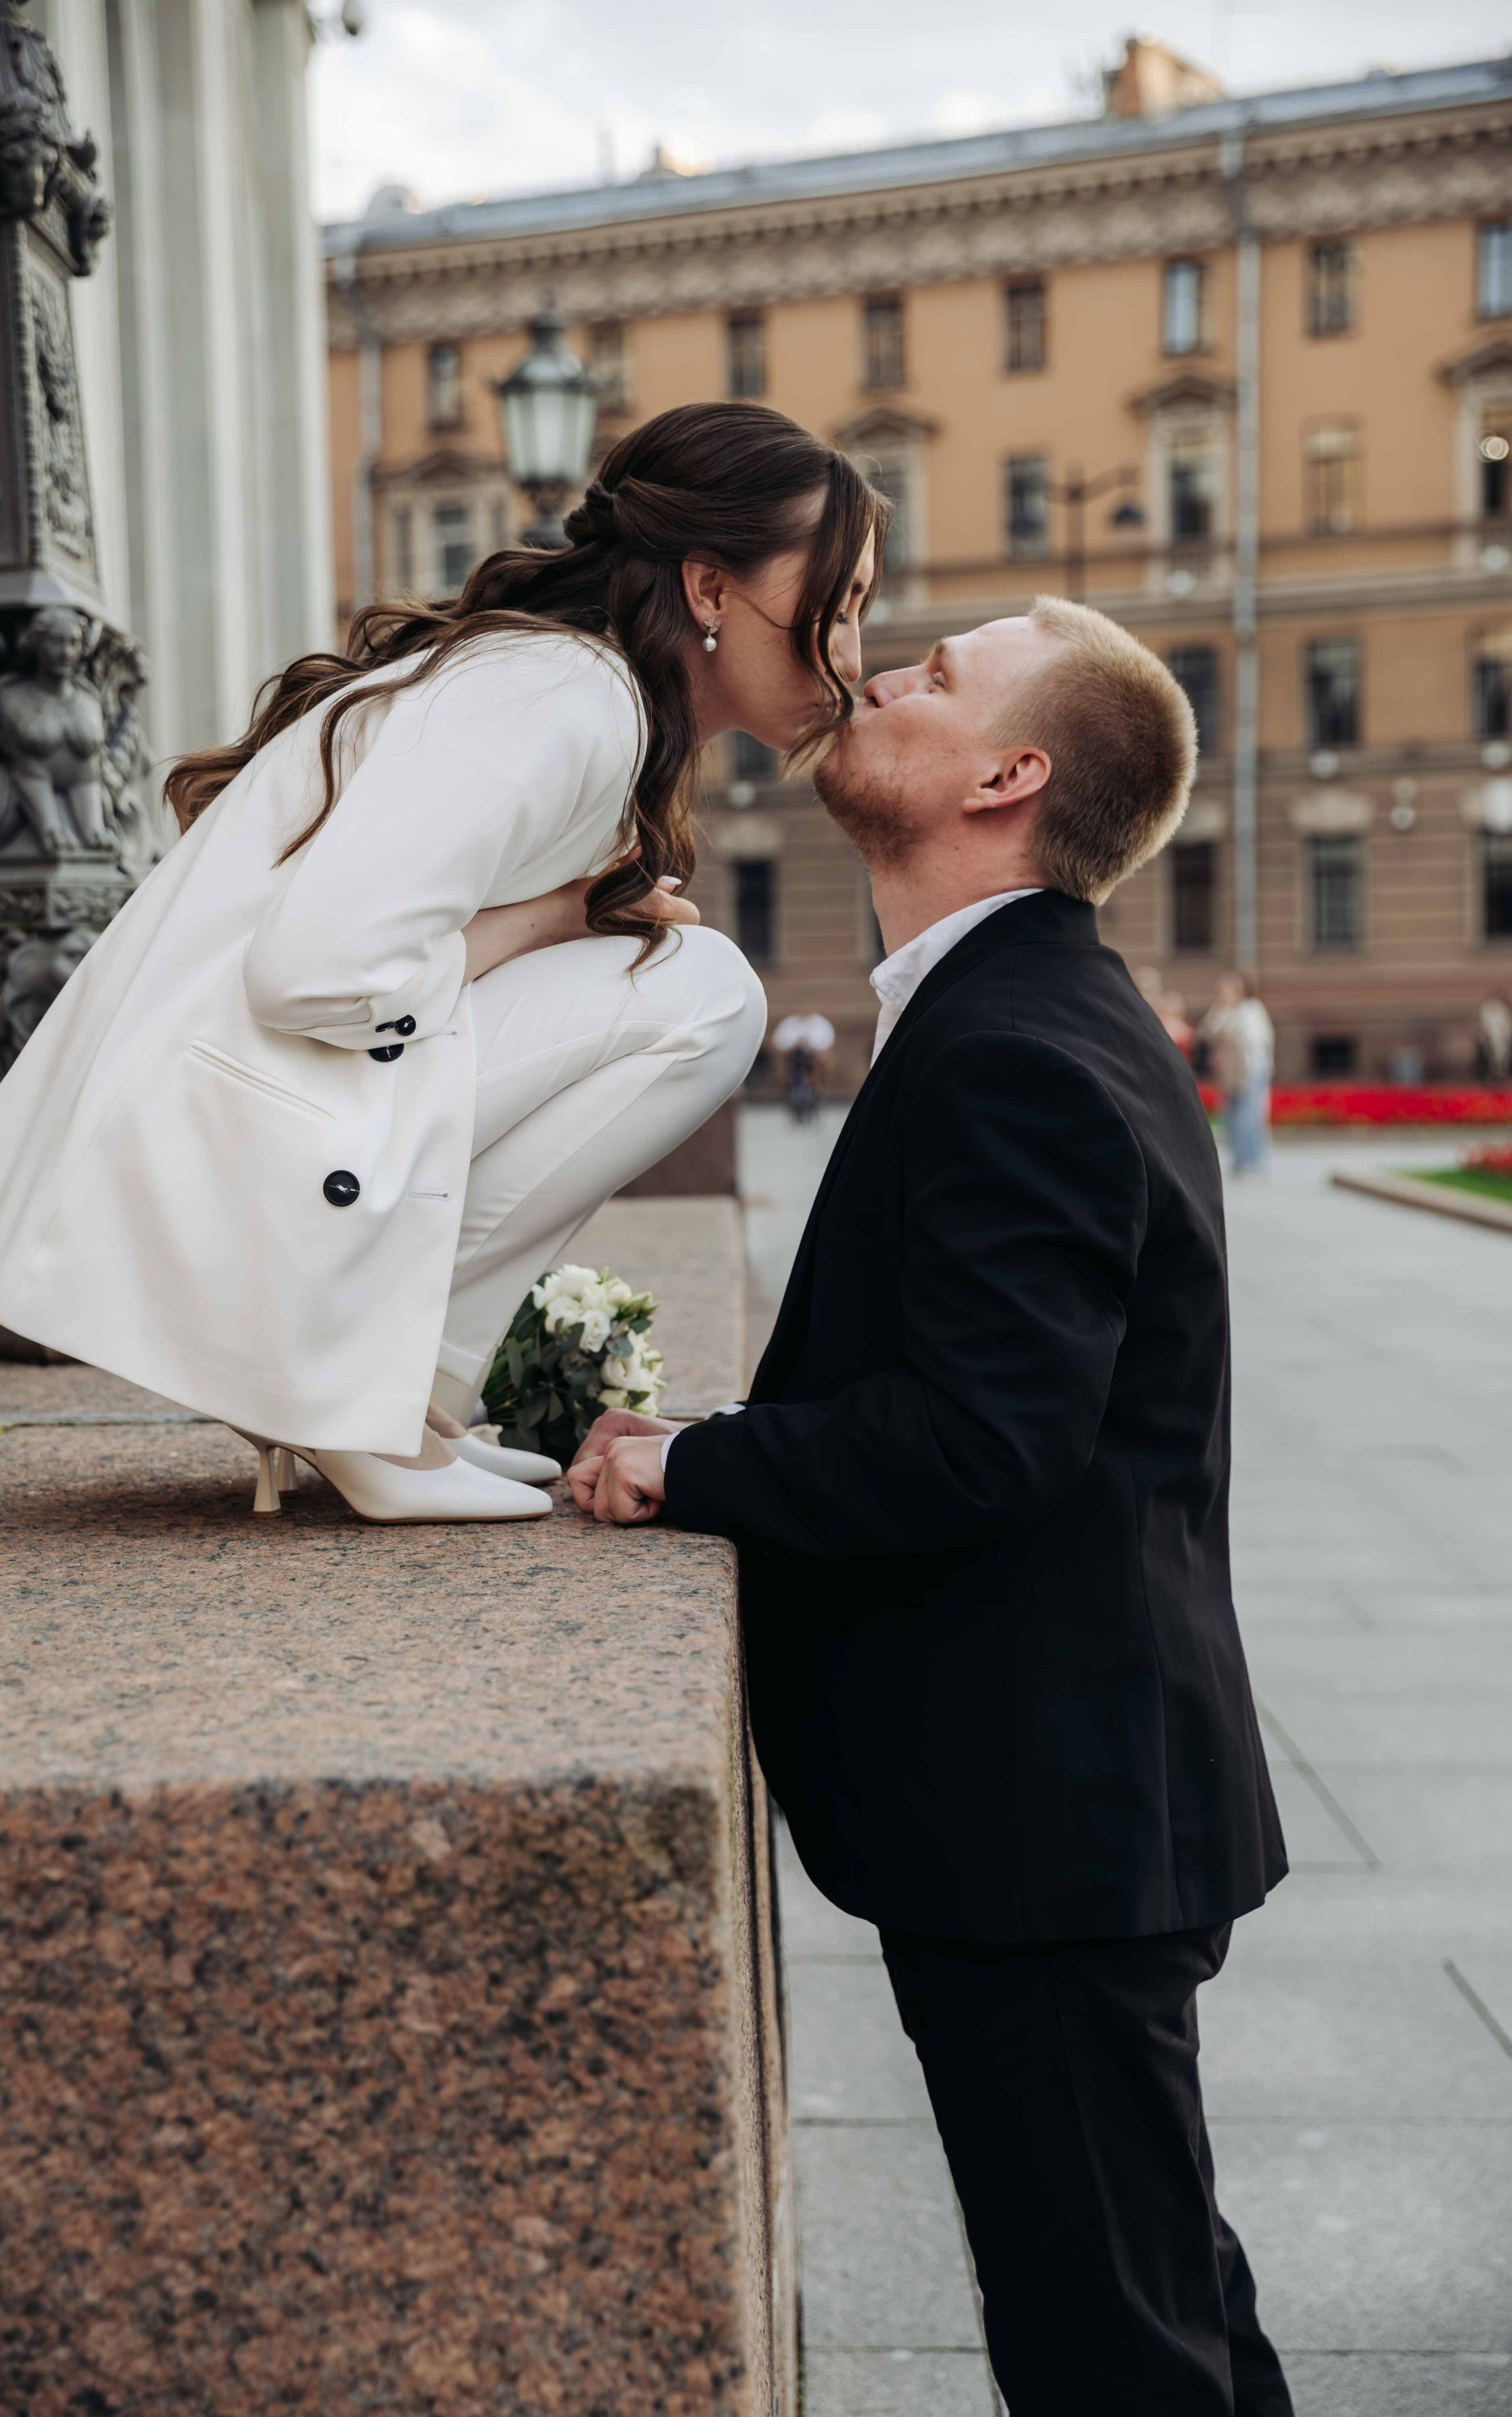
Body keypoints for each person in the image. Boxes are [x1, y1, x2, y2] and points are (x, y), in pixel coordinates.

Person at [570, 597, 1292, 2415]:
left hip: (1049, 1817)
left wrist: (694, 1461)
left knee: (1114, 2348)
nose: (884, 675)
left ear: (1008, 774)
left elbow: (986, 1434)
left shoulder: (1018, 1042)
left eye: (940, 674)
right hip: (1068, 1801)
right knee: (1156, 2284)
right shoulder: (1017, 1008)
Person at [0, 403, 886, 1523]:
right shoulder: (565, 695)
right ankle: (353, 1394)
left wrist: (568, 915)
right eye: (839, 603)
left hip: (220, 1130)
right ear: (711, 588)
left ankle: (391, 1394)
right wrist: (554, 918)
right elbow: (316, 972)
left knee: (681, 972)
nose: (854, 653)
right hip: (210, 1150)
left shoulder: (571, 694)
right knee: (699, 994)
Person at [1204, 971, 1275, 1173]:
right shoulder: (1220, 1011)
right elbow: (1209, 1031)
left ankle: (1250, 1159)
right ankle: (1237, 1159)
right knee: (1231, 1115)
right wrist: (1222, 1011)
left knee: (1249, 1114)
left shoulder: (1251, 1010)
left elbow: (1257, 1040)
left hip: (1251, 1068)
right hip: (1228, 1073)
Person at [770, 1008, 835, 1120]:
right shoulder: (789, 1023)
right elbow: (778, 1044)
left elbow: (826, 1047)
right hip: (793, 1062)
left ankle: (816, 1092)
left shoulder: (821, 1024)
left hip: (814, 1062)